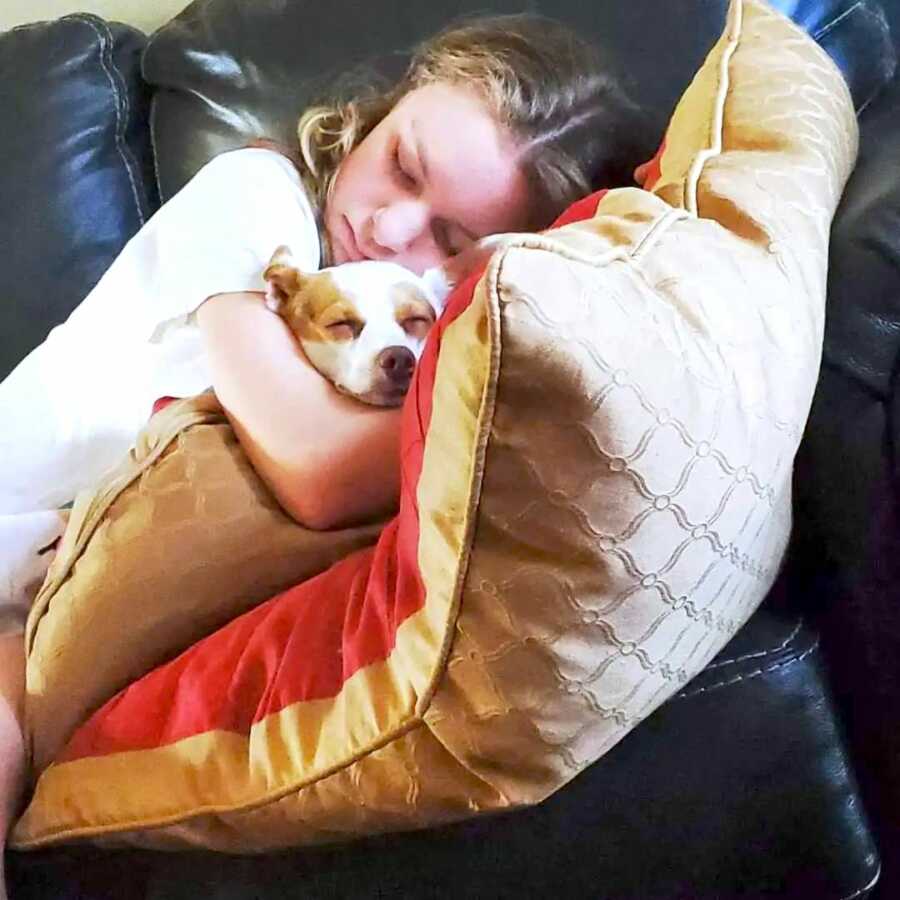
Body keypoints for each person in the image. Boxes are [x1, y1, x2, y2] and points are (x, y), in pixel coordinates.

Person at [0, 12, 651, 894]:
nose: (389, 227)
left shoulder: (419, 323)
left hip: (44, 601)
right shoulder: (255, 194)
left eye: (450, 240)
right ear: (382, 110)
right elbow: (317, 469)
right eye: (402, 165)